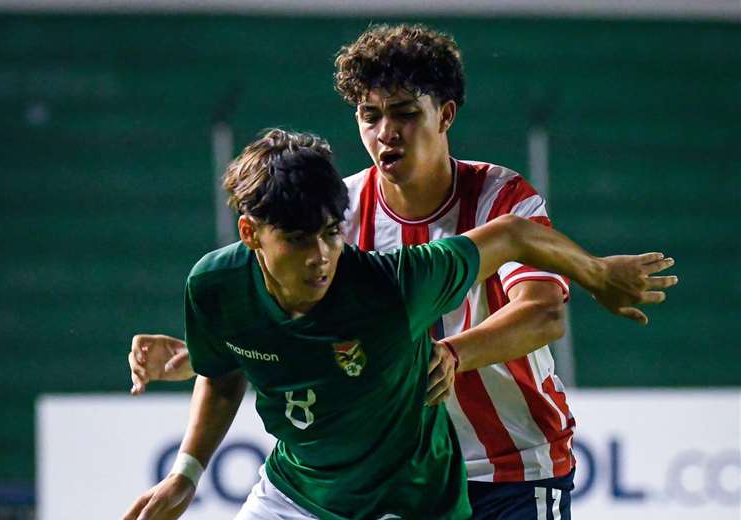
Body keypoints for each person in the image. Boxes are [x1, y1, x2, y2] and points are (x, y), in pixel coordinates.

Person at [128, 25, 677, 519]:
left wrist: (454, 354)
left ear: (446, 114)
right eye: (371, 116)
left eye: (405, 113)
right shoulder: (335, 213)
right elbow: (298, 328)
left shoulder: (500, 196)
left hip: (510, 464)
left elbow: (543, 313)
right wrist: (199, 356)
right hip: (394, 473)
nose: (385, 132)